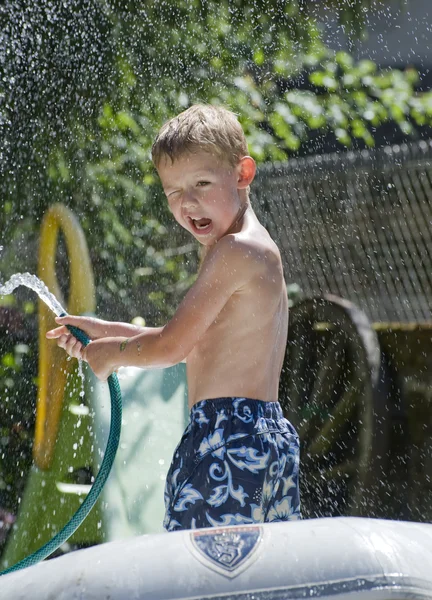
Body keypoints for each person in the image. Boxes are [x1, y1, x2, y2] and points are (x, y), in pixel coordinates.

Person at [47, 104, 301, 531]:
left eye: (201, 183)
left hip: (224, 439)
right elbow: (192, 342)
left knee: (199, 581)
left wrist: (112, 356)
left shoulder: (233, 251)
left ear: (243, 173)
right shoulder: (248, 248)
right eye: (173, 191)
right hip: (265, 439)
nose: (188, 202)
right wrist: (105, 333)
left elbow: (172, 348)